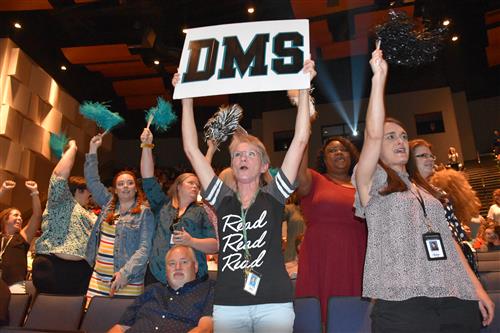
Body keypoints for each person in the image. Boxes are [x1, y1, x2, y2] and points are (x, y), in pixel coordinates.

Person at [353, 47, 494, 332]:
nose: (400, 141)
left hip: (454, 294)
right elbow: (372, 132)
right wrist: (379, 79)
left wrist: (475, 288)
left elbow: (449, 242)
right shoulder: (371, 180)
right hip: (404, 301)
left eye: (403, 136)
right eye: (390, 136)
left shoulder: (425, 190)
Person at [176, 59, 316, 332]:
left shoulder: (274, 195)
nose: (243, 157)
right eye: (237, 154)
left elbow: (300, 139)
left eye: (251, 153)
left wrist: (303, 87)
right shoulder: (222, 197)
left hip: (274, 303)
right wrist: (186, 98)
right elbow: (192, 150)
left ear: (264, 165)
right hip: (229, 304)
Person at [295, 134, 366, 322]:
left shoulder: (364, 184)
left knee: (356, 317)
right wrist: (305, 131)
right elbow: (297, 168)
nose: (339, 153)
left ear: (351, 157)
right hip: (320, 259)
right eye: (332, 151)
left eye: (343, 150)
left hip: (357, 257)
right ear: (324, 160)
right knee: (319, 315)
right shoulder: (315, 180)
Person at [139, 128, 217, 285]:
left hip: (192, 279)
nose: (195, 187)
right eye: (191, 183)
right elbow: (147, 178)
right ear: (178, 186)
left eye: (197, 184)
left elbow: (215, 245)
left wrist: (191, 241)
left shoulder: (201, 211)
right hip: (158, 276)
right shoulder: (162, 205)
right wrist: (147, 145)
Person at [84, 134, 155, 299]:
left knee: (122, 323)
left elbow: (144, 249)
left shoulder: (144, 212)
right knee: (93, 321)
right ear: (115, 189)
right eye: (121, 184)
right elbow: (92, 181)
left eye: (130, 183)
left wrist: (124, 273)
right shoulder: (108, 204)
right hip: (98, 279)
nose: (125, 186)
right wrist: (93, 150)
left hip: (127, 280)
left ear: (136, 188)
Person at [32, 140, 96, 295]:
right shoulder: (61, 202)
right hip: (53, 268)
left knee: (72, 317)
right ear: (79, 190)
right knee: (48, 314)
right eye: (88, 190)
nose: (91, 194)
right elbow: (59, 176)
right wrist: (73, 148)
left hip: (81, 272)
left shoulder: (91, 214)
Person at [408, 139, 481, 274]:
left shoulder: (437, 191)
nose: (430, 159)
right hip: (434, 266)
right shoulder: (406, 193)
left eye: (431, 156)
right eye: (423, 155)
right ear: (409, 161)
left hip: (453, 260)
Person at [107, 245, 215, 333]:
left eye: (184, 262)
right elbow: (121, 327)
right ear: (166, 270)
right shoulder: (152, 290)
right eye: (172, 264)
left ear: (195, 266)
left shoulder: (208, 289)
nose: (177, 267)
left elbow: (205, 329)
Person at [0, 180, 41, 293]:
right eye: (15, 215)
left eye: (21, 216)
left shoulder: (22, 237)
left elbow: (37, 216)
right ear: (5, 218)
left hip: (14, 286)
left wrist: (34, 192)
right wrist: (2, 190)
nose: (20, 218)